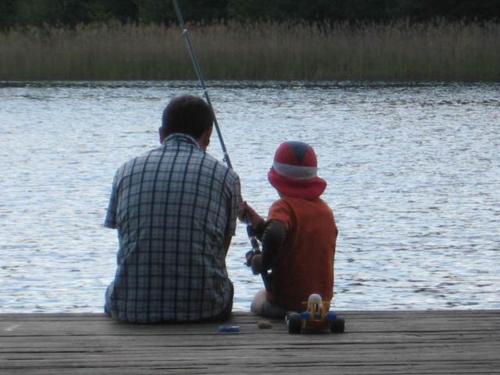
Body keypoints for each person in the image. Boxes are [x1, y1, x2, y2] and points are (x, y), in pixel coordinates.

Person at [104, 95, 242, 323]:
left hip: (129, 307)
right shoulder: (227, 177)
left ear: (161, 134)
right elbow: (221, 251)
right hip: (205, 309)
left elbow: (124, 238)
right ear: (208, 135)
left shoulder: (125, 171)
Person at [240, 141, 338, 318]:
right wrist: (258, 225)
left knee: (257, 300)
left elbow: (276, 234)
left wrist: (261, 262)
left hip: (286, 304)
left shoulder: (283, 207)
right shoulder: (325, 212)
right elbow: (293, 241)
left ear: (277, 181)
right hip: (320, 306)